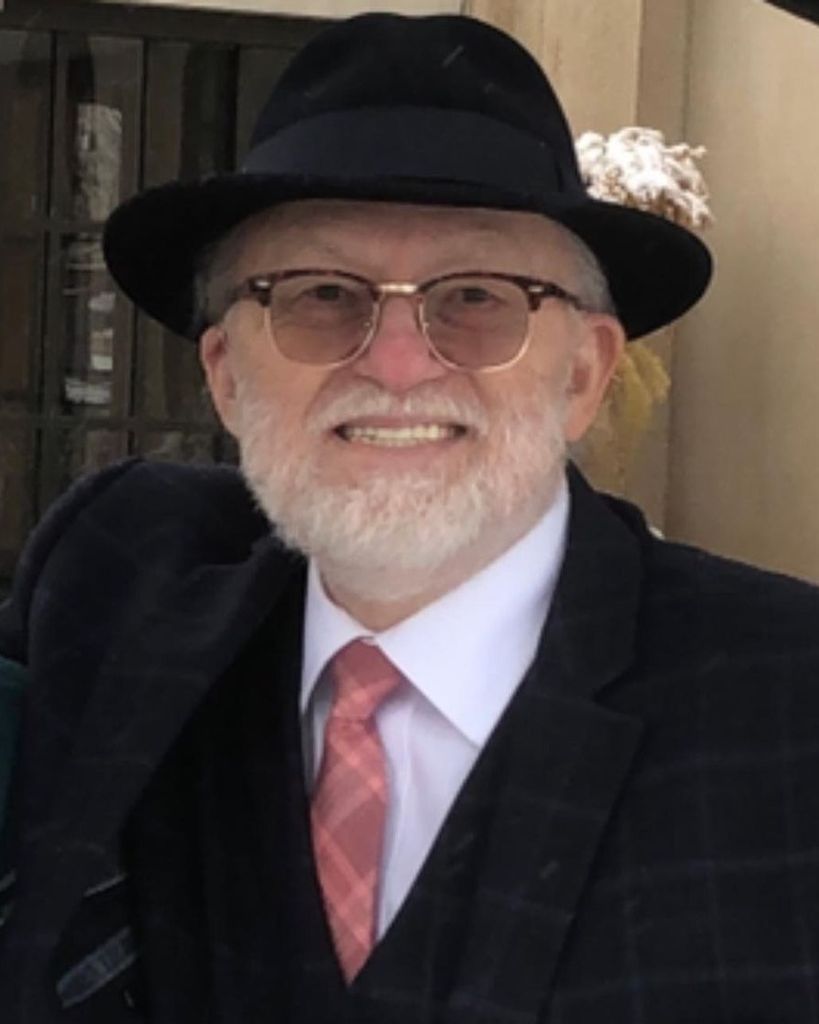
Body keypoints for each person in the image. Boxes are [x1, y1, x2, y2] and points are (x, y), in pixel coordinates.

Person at [2, 11, 819, 1024]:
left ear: (583, 373)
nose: (395, 364)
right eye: (321, 293)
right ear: (225, 375)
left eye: (476, 295)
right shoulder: (114, 588)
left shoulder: (791, 701)